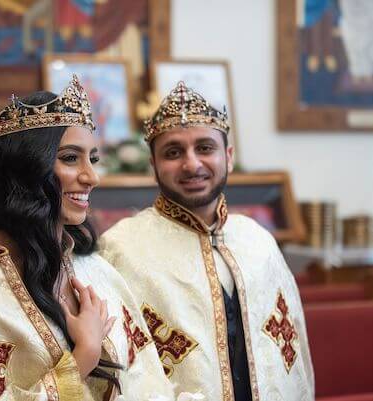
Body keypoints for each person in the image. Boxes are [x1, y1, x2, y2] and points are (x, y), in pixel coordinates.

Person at [0, 76, 185, 401]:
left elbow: (148, 383)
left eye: (92, 159)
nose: (91, 176)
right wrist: (84, 356)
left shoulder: (94, 269)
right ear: (26, 169)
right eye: (70, 158)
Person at [98, 82, 315, 401]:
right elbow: (113, 370)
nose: (192, 164)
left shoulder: (258, 242)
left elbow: (295, 359)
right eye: (173, 152)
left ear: (228, 156)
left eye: (204, 148)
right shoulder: (120, 248)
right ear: (153, 164)